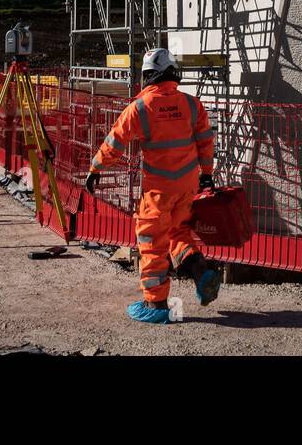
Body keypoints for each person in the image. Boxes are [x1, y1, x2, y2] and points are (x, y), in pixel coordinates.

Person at [84, 47, 220, 324]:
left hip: (159, 190)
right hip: (187, 185)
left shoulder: (141, 108)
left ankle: (156, 303)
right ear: (173, 73)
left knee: (151, 241)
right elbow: (206, 141)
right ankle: (201, 271)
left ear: (147, 76)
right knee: (178, 231)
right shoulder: (192, 104)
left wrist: (95, 167)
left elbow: (115, 143)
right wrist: (207, 173)